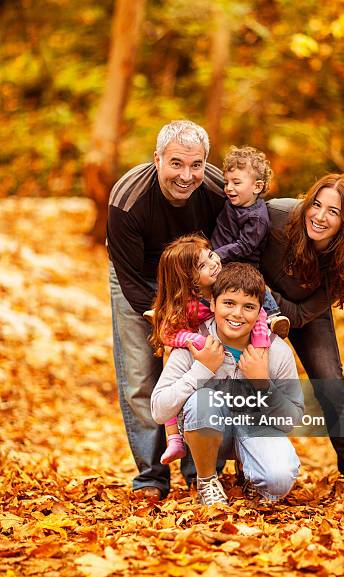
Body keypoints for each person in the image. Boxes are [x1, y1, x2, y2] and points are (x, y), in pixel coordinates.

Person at [107, 120, 226, 501]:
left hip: (197, 282)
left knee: (202, 370)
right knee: (141, 377)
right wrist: (169, 328)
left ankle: (200, 470)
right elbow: (128, 281)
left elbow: (227, 250)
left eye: (196, 165)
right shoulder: (127, 200)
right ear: (156, 159)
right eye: (176, 164)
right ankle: (151, 476)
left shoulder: (215, 190)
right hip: (139, 280)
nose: (187, 175)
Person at [151, 263, 303, 506]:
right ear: (212, 304)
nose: (237, 314)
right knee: (202, 400)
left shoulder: (276, 350)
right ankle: (207, 480)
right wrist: (201, 370)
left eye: (249, 307)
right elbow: (159, 410)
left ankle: (251, 475)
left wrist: (263, 384)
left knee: (278, 479)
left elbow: (292, 419)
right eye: (229, 303)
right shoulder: (194, 342)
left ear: (260, 312)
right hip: (207, 426)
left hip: (254, 426)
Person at [261, 174, 344, 481]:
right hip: (253, 309)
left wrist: (270, 295)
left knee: (332, 386)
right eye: (317, 205)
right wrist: (259, 296)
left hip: (308, 315)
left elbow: (297, 317)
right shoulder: (276, 215)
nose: (320, 216)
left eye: (333, 212)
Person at [150, 234, 272, 464]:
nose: (214, 263)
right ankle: (174, 436)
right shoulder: (187, 303)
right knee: (171, 364)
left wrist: (260, 347)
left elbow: (258, 311)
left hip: (226, 355)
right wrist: (194, 341)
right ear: (190, 278)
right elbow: (167, 334)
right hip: (200, 355)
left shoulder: (226, 282)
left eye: (211, 256)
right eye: (203, 266)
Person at [211, 146, 290, 338]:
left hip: (242, 263)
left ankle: (273, 317)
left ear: (257, 187)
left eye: (236, 182)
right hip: (217, 257)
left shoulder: (257, 217)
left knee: (254, 285)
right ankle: (168, 312)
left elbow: (245, 245)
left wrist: (218, 254)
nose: (229, 188)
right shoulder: (234, 201)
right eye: (227, 182)